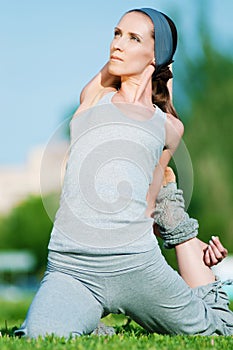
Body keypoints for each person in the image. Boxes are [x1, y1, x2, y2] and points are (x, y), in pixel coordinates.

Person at [15, 8, 233, 338]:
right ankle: (92, 324)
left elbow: (146, 205)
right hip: (72, 267)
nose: (117, 44)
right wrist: (143, 57)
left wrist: (193, 244)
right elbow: (113, 71)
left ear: (156, 55)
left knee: (216, 331)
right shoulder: (94, 98)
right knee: (41, 335)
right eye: (117, 34)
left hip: (137, 265)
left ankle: (204, 287)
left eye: (133, 38)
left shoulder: (169, 128)